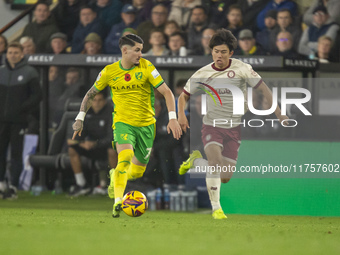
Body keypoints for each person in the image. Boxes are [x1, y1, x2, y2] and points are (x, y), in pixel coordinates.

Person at [177, 29, 289, 219]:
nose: (218, 55)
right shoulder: (203, 73)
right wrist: (181, 115)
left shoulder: (242, 69)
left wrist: (280, 114)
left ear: (231, 53)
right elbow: (183, 96)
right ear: (211, 51)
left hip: (234, 127)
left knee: (225, 177)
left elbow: (264, 90)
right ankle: (216, 209)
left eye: (223, 52)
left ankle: (195, 160)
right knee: (214, 162)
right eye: (215, 51)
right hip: (212, 125)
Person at [72, 34, 182, 217]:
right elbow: (91, 94)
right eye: (137, 50)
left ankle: (116, 177)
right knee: (125, 157)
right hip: (123, 123)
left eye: (141, 50)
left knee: (137, 172)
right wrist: (80, 117)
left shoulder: (147, 67)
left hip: (146, 126)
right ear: (125, 50)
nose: (141, 53)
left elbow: (168, 92)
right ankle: (118, 202)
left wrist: (172, 117)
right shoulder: (109, 71)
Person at [0, 42, 42, 199]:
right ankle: (1, 185)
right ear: (7, 54)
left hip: (19, 121)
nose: (12, 55)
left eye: (16, 52)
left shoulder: (29, 72)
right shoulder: (1, 72)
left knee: (16, 155)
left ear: (21, 54)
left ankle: (13, 187)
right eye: (10, 52)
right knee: (0, 153)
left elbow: (38, 96)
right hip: (1, 121)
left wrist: (22, 108)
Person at [68, 90, 116, 196]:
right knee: (72, 149)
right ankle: (81, 185)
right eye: (94, 100)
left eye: (100, 100)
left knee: (112, 148)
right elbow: (73, 137)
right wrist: (82, 144)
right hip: (91, 147)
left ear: (105, 101)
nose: (97, 103)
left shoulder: (111, 113)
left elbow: (112, 137)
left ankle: (116, 185)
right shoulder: (85, 113)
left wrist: (95, 144)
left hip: (105, 147)